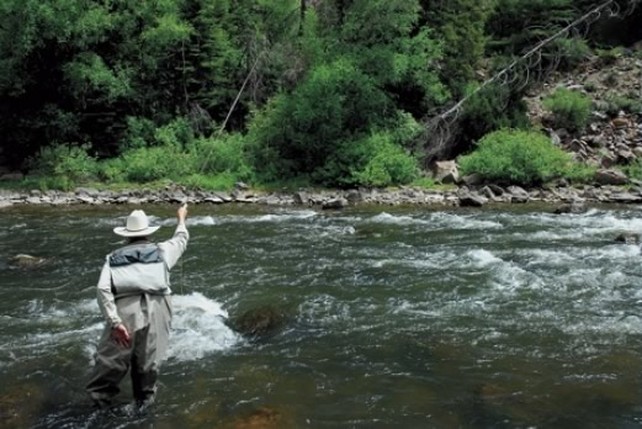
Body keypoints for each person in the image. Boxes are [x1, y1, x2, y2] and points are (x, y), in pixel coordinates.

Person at [86, 204, 189, 408]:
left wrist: (115, 322)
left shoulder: (112, 258)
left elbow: (102, 290)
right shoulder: (164, 251)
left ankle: (99, 411)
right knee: (148, 366)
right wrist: (181, 218)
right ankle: (144, 410)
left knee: (109, 366)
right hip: (158, 308)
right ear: (148, 234)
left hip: (124, 310)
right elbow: (181, 238)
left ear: (126, 236)